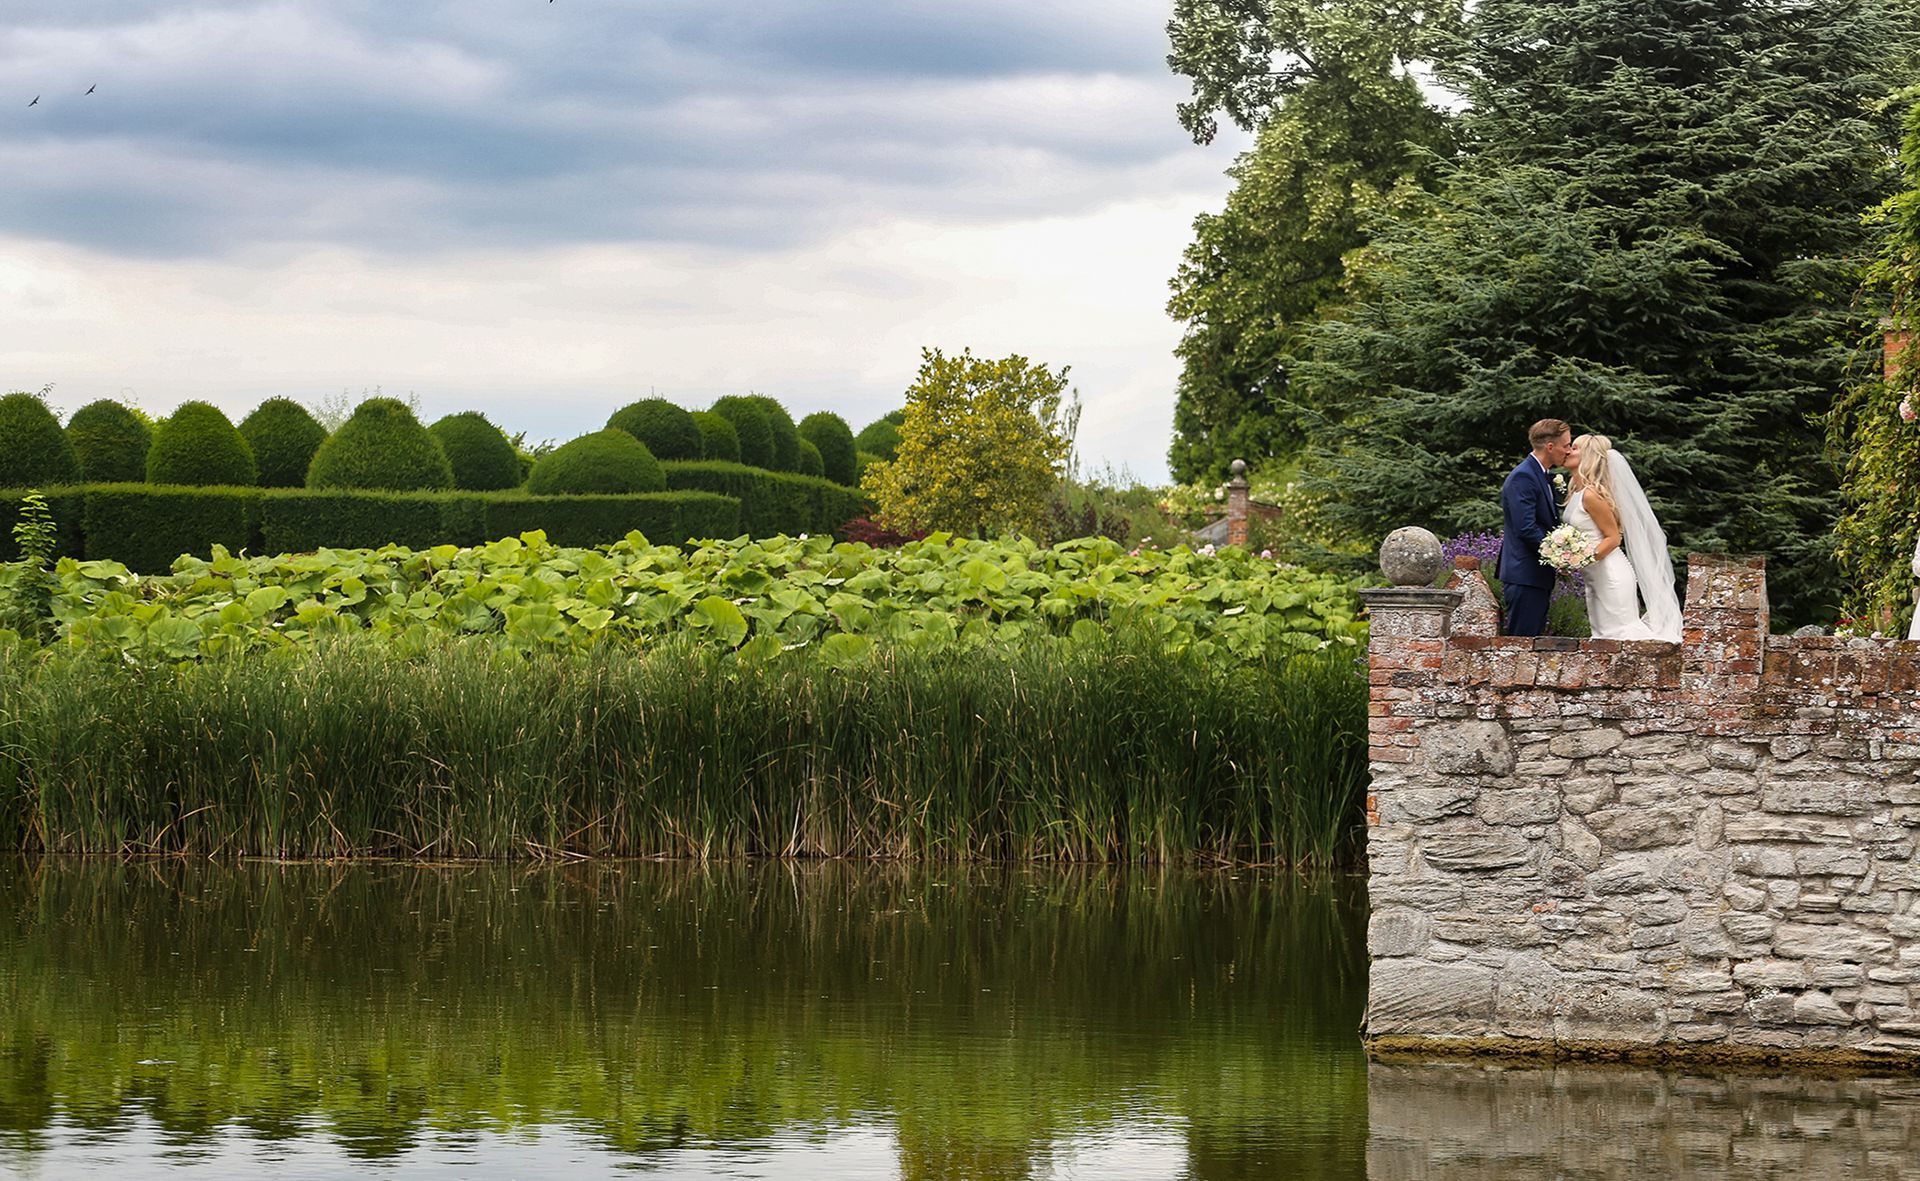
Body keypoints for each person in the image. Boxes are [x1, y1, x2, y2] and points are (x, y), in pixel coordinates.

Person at [1563, 434, 1682, 642]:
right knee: (1603, 638)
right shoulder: (1576, 493)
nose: (1567, 451)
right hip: (1595, 577)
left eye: (1574, 448)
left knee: (1620, 636)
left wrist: (1580, 560)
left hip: (1610, 575)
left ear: (1588, 456)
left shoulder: (1592, 495)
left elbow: (1613, 537)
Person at [1498, 419, 1573, 636]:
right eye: (1566, 445)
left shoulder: (1540, 474)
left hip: (1535, 575)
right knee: (1522, 645)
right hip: (1524, 575)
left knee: (1532, 645)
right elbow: (1526, 528)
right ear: (1550, 446)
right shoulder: (1524, 476)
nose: (1568, 451)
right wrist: (1560, 555)